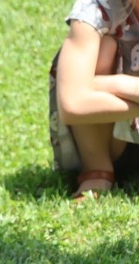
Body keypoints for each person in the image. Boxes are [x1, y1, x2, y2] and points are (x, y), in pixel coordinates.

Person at [50, 0, 139, 200]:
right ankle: (96, 169)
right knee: (103, 47)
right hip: (114, 140)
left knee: (82, 78)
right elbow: (73, 104)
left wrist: (95, 84)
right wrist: (133, 88)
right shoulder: (95, 10)